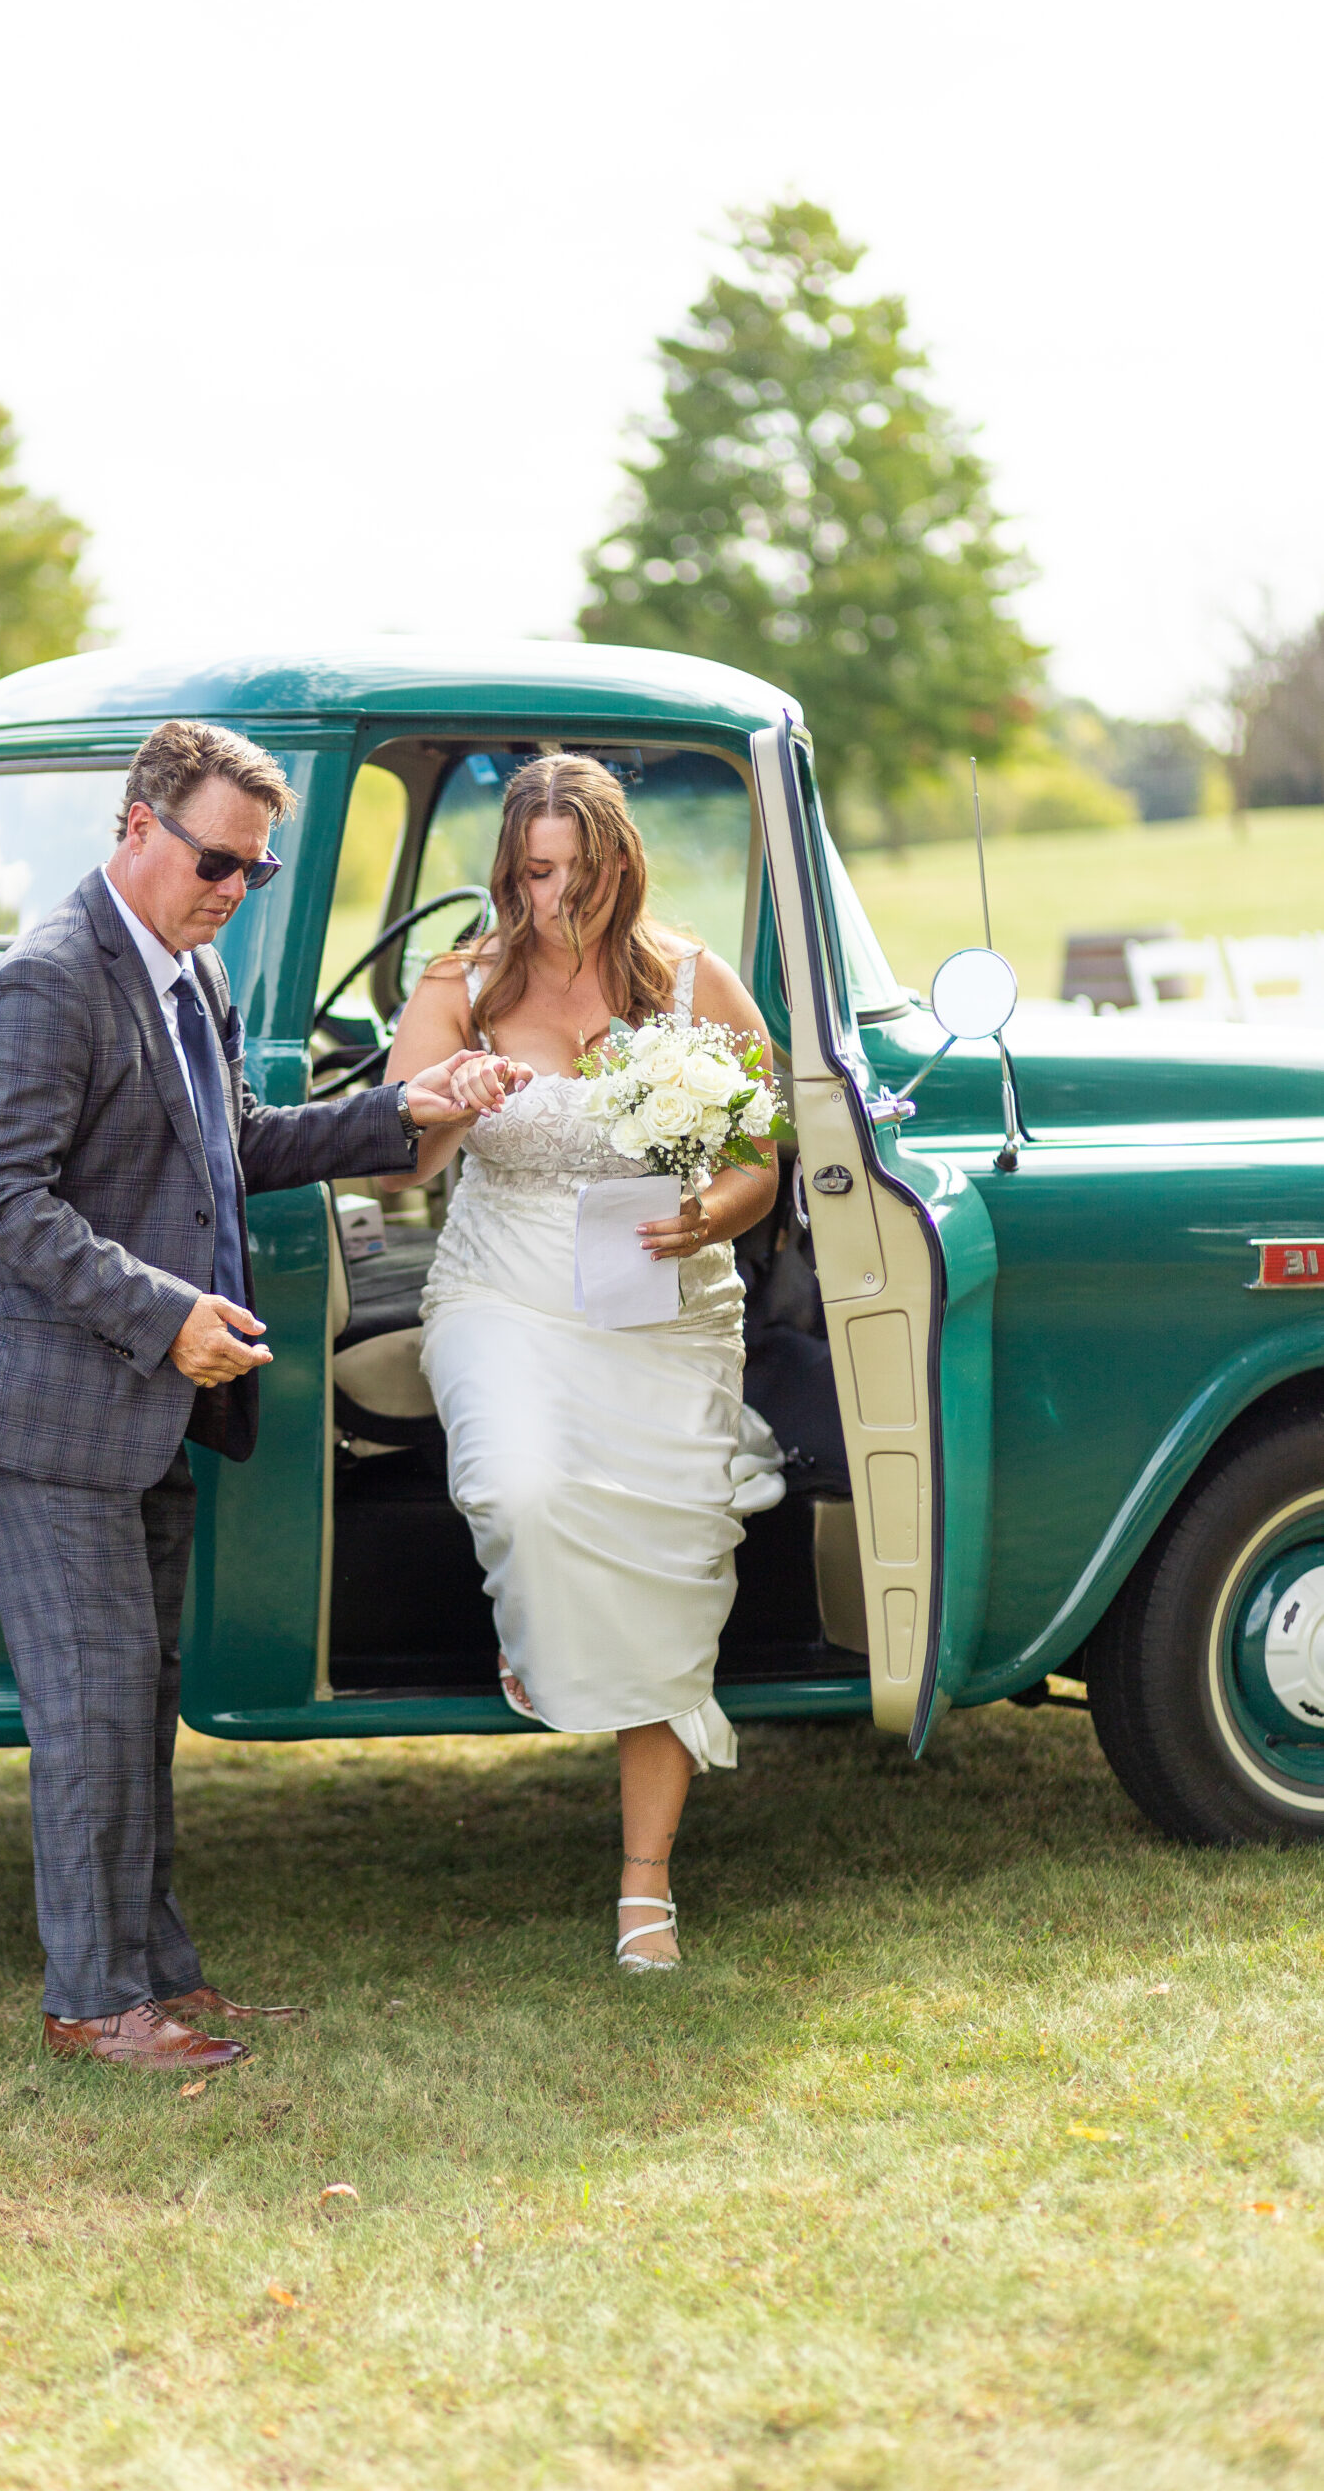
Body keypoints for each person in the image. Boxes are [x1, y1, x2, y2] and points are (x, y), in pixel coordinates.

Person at [0, 720, 483, 2071]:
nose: (232, 889)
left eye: (254, 870)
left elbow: (238, 1144)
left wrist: (408, 1108)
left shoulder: (189, 968)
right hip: (49, 1410)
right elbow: (0, 1209)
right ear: (136, 827)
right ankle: (93, 2004)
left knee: (140, 1696)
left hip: (145, 1404)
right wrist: (168, 1317)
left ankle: (157, 1973)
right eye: (216, 860)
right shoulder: (47, 980)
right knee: (93, 1710)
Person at [382, 754, 779, 1971]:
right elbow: (396, 1164)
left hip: (664, 1306)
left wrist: (707, 1216)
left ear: (621, 865)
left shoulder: (695, 981)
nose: (554, 897)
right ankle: (536, 1611)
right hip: (502, 1291)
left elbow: (761, 1161)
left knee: (667, 1565)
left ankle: (645, 1886)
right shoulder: (462, 981)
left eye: (577, 872)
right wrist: (452, 1095)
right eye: (534, 873)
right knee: (518, 1490)